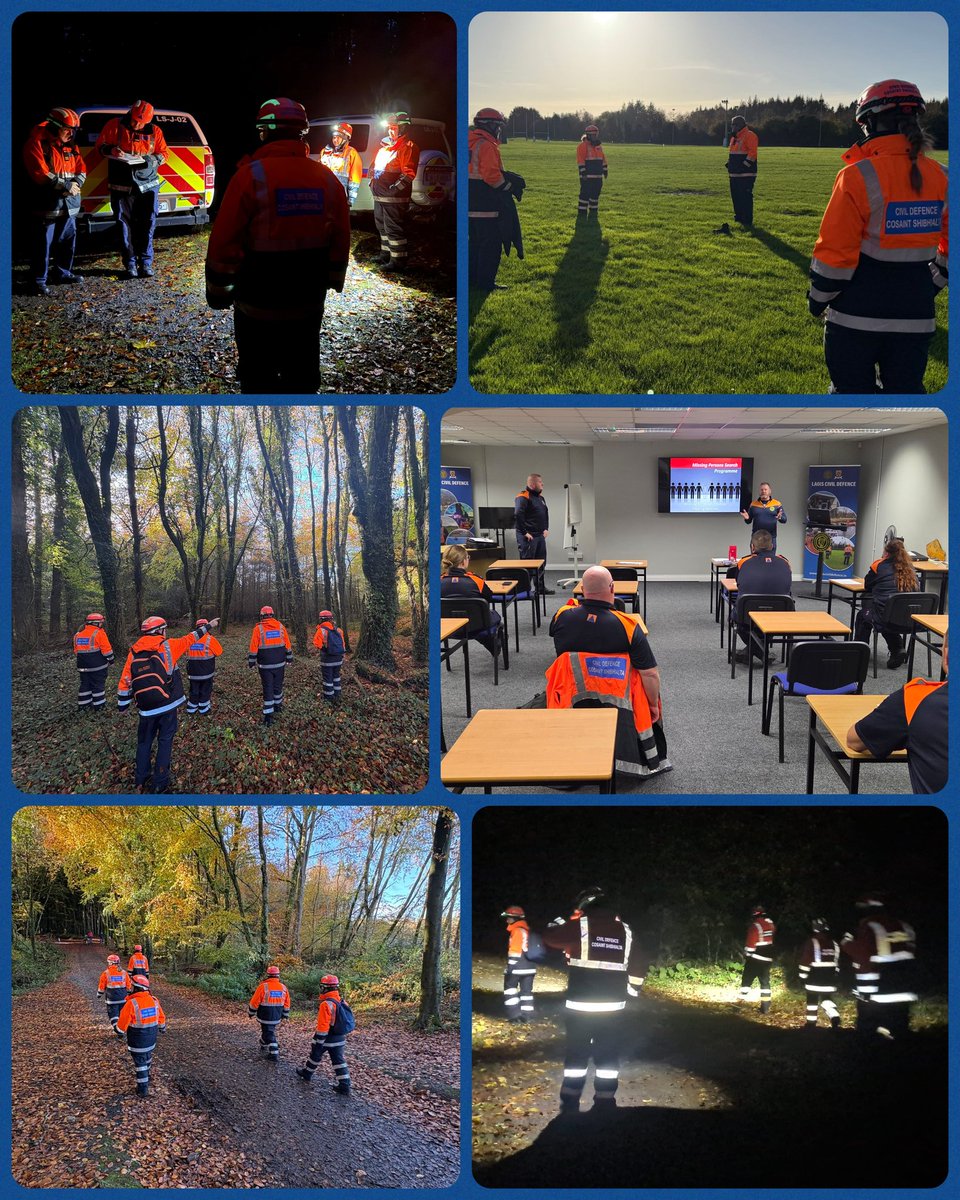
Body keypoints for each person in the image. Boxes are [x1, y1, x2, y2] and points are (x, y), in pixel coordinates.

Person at [808, 79, 948, 395]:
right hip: (916, 318)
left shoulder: (857, 175)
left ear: (869, 122)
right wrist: (932, 283)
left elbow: (835, 253)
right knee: (905, 396)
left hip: (854, 319)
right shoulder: (943, 177)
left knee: (850, 397)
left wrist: (818, 299)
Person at [205, 97, 350, 394]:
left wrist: (218, 292)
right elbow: (340, 237)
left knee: (258, 378)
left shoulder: (249, 176)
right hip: (308, 304)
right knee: (303, 375)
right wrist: (334, 279)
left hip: (257, 306)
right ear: (302, 133)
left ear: (264, 132)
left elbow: (225, 241)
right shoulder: (325, 178)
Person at [548, 566, 669, 778]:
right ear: (612, 588)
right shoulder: (629, 626)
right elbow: (649, 674)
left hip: (571, 699)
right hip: (622, 708)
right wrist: (652, 705)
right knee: (648, 684)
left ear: (583, 589)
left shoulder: (561, 617)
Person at [543, 886, 646, 1112]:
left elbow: (550, 937)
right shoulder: (626, 931)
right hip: (613, 1009)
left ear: (585, 907)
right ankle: (605, 1100)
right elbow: (638, 965)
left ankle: (570, 1099)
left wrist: (564, 918)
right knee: (608, 1054)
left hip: (580, 1007)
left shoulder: (580, 926)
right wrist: (633, 991)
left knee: (576, 1053)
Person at [847, 631, 947, 793]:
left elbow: (854, 740)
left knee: (864, 617)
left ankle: (857, 657)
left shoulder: (915, 699)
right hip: (897, 618)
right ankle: (893, 647)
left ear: (947, 656)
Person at [118, 615, 208, 794]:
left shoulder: (134, 652)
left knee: (144, 743)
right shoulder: (169, 646)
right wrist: (209, 626)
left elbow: (126, 679)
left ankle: (140, 779)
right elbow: (191, 638)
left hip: (145, 708)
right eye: (164, 629)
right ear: (159, 630)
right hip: (168, 705)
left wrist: (123, 704)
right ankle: (160, 781)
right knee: (165, 741)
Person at [94, 100, 169, 279]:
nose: (136, 124)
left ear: (148, 121)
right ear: (130, 113)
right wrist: (111, 150)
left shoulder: (155, 131)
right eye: (134, 120)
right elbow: (100, 147)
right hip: (122, 185)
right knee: (123, 225)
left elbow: (164, 154)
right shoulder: (114, 126)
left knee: (148, 223)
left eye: (140, 122)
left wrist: (150, 160)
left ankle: (146, 263)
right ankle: (130, 264)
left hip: (148, 185)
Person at [22, 106, 86, 296]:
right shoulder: (36, 143)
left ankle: (62, 273)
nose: (71, 133)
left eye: (73, 130)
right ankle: (37, 281)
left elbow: (81, 168)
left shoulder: (71, 145)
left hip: (69, 204)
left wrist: (76, 182)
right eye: (67, 129)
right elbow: (39, 172)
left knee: (67, 239)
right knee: (42, 244)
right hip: (47, 205)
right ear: (53, 126)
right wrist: (65, 185)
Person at [840, 895, 917, 1041]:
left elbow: (861, 953)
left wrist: (846, 941)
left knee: (868, 1032)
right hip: (906, 988)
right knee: (900, 1031)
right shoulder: (905, 926)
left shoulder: (870, 926)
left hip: (882, 989)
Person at [468, 107, 524, 291]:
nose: (499, 129)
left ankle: (472, 280)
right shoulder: (486, 145)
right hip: (485, 203)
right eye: (498, 125)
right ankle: (485, 284)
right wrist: (508, 188)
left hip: (469, 204)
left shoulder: (468, 142)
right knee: (490, 245)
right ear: (490, 125)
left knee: (474, 244)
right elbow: (491, 176)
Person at [726, 530, 793, 662]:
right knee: (768, 614)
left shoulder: (743, 562)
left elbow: (740, 585)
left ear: (752, 547)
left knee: (737, 618)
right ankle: (759, 650)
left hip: (747, 613)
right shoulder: (785, 562)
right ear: (772, 545)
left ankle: (759, 652)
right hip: (781, 613)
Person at [853, 536, 919, 668]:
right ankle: (897, 648)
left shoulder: (879, 565)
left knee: (865, 615)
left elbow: (868, 585)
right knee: (887, 612)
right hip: (911, 620)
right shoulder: (912, 570)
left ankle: (859, 653)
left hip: (886, 618)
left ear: (886, 553)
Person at [369, 112, 419, 271]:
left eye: (394, 128)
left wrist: (394, 189)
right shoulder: (385, 147)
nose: (390, 131)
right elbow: (375, 167)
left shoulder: (408, 147)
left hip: (394, 199)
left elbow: (409, 173)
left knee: (393, 229)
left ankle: (398, 262)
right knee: (381, 227)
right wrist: (372, 182)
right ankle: (385, 255)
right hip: (380, 196)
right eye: (389, 128)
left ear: (403, 128)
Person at [440, 544, 502, 658]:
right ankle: (492, 643)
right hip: (477, 626)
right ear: (463, 562)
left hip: (450, 629)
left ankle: (490, 643)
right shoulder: (475, 580)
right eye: (468, 557)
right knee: (494, 616)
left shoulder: (438, 582)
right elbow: (489, 597)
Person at [296, 974, 352, 1094]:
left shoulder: (326, 1004)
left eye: (322, 987)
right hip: (340, 1038)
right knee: (339, 1061)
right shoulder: (342, 1001)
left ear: (325, 988)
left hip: (327, 1038)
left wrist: (319, 1041)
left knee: (315, 1055)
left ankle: (307, 1073)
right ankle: (345, 1085)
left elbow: (323, 1025)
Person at [116, 974, 166, 1097]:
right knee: (147, 1056)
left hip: (137, 1040)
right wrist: (162, 1028)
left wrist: (119, 1031)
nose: (130, 988)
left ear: (137, 987)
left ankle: (142, 1089)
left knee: (140, 1063)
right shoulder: (154, 1000)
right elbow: (161, 1017)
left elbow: (122, 1024)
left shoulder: (131, 1003)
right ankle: (147, 1075)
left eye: (132, 986)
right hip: (151, 1038)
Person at [248, 605, 293, 726]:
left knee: (268, 687)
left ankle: (268, 716)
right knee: (278, 686)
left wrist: (251, 661)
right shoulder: (280, 626)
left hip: (265, 665)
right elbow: (287, 643)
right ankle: (278, 706)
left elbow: (253, 646)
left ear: (262, 616)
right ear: (272, 615)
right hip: (280, 664)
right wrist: (289, 656)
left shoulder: (258, 629)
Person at [798, 917, 841, 1031]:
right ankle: (834, 1016)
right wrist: (835, 976)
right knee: (827, 999)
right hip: (830, 979)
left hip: (814, 978)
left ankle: (811, 1025)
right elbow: (837, 963)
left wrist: (802, 977)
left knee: (812, 1001)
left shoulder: (812, 942)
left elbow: (805, 961)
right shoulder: (834, 944)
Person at [515, 474, 551, 595]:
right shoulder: (523, 497)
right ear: (532, 484)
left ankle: (540, 588)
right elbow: (518, 515)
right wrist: (525, 532)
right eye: (540, 482)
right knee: (528, 564)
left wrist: (546, 528)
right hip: (528, 537)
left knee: (541, 563)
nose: (543, 484)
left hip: (539, 536)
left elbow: (545, 514)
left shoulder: (541, 498)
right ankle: (524, 590)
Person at [501, 905, 537, 1023]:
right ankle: (527, 1016)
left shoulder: (517, 931)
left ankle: (514, 1016)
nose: (507, 920)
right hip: (530, 967)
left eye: (509, 918)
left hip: (518, 967)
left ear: (515, 918)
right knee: (526, 992)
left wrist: (510, 967)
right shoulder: (528, 930)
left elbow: (515, 951)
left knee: (509, 989)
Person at [73, 613, 114, 713]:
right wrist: (111, 660)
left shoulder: (77, 635)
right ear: (95, 623)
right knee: (98, 686)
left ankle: (83, 707)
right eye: (100, 623)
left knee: (84, 685)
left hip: (82, 667)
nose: (101, 625)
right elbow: (107, 650)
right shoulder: (99, 633)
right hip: (98, 667)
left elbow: (76, 651)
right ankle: (99, 707)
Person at [248, 965, 291, 1062]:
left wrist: (251, 1012)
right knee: (268, 1030)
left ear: (268, 975)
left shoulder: (263, 986)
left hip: (265, 1014)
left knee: (269, 1032)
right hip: (277, 1015)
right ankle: (263, 1043)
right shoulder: (283, 987)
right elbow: (287, 1002)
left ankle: (274, 1053)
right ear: (278, 976)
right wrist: (285, 1014)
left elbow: (255, 1001)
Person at [738, 904, 775, 1014]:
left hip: (756, 958)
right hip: (768, 958)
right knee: (765, 982)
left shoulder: (755, 926)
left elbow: (750, 945)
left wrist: (747, 955)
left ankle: (739, 1003)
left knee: (747, 979)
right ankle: (765, 1007)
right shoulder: (770, 924)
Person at [725, 114, 758, 227]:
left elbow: (752, 153)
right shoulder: (734, 138)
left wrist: (743, 166)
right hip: (734, 174)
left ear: (740, 125)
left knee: (745, 197)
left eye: (734, 125)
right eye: (732, 125)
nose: (732, 127)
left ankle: (747, 219)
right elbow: (734, 154)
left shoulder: (750, 135)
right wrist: (730, 164)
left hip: (746, 174)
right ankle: (739, 217)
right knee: (736, 197)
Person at [320, 122, 363, 208]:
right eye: (334, 137)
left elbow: (355, 178)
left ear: (345, 138)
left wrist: (351, 199)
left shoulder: (352, 153)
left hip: (341, 197)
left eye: (338, 137)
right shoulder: (325, 152)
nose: (335, 140)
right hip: (325, 196)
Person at [185, 617, 223, 715]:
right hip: (207, 672)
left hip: (192, 671)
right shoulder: (210, 639)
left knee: (194, 689)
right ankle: (203, 708)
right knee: (206, 689)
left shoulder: (189, 639)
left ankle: (191, 708)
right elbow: (219, 652)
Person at [740, 482, 787, 551]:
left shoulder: (777, 504)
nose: (763, 491)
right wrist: (747, 518)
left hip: (771, 538)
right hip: (756, 538)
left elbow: (784, 520)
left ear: (770, 491)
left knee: (770, 560)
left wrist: (780, 518)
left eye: (765, 489)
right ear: (759, 491)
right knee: (755, 560)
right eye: (762, 490)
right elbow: (748, 521)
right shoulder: (753, 504)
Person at [313, 609, 346, 704]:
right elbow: (343, 644)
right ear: (331, 619)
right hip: (338, 658)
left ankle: (329, 697)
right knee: (336, 676)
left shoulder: (321, 631)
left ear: (321, 619)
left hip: (327, 659)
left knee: (328, 678)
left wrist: (324, 649)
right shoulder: (339, 630)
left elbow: (316, 643)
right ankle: (338, 693)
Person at [96, 953, 133, 1036]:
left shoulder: (106, 973)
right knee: (121, 1014)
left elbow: (102, 985)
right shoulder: (124, 973)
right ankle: (122, 1028)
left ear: (110, 963)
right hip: (123, 998)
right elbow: (128, 985)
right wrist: (129, 992)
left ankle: (117, 1029)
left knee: (113, 1014)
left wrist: (99, 994)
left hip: (111, 999)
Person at [576, 124, 608, 218]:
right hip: (587, 177)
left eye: (596, 135)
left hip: (598, 177)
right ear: (588, 135)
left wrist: (605, 170)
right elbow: (580, 160)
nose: (595, 137)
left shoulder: (598, 146)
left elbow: (603, 158)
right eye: (593, 135)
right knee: (585, 195)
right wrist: (583, 172)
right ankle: (582, 213)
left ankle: (593, 212)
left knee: (595, 195)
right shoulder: (582, 146)